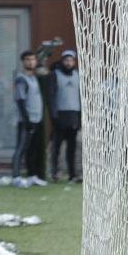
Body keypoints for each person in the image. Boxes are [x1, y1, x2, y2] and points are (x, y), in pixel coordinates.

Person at [11, 51, 47, 188]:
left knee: (33, 149)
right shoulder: (21, 79)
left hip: (37, 119)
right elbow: (20, 100)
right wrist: (26, 120)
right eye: (27, 60)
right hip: (26, 120)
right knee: (21, 148)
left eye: (33, 59)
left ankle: (32, 176)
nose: (31, 62)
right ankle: (16, 177)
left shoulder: (34, 77)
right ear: (23, 62)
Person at [47, 49, 82, 182]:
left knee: (72, 147)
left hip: (74, 114)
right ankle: (55, 172)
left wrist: (80, 118)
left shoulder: (77, 75)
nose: (68, 63)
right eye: (66, 60)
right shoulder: (55, 75)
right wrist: (53, 116)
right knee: (57, 147)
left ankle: (72, 174)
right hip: (60, 114)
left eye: (71, 60)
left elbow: (81, 97)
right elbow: (50, 97)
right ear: (62, 61)